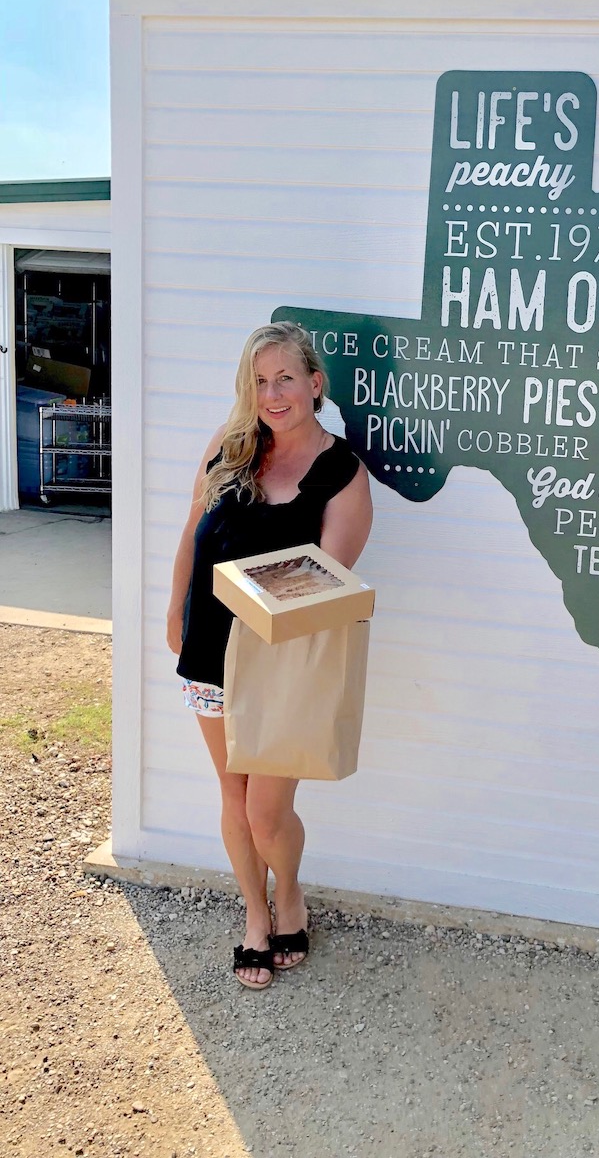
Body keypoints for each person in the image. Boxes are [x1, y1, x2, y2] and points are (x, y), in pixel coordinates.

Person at [166, 322, 372, 990]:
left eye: (286, 377)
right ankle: (256, 915)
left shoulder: (343, 472)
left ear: (315, 383)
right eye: (259, 380)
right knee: (233, 796)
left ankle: (290, 894)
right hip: (210, 650)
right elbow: (192, 541)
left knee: (265, 811)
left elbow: (326, 581)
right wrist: (175, 610)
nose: (273, 393)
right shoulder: (229, 450)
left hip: (283, 664)